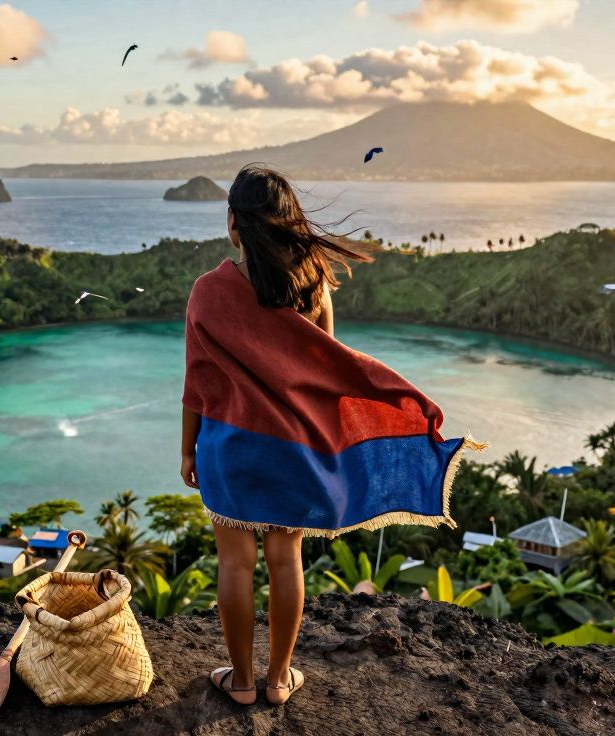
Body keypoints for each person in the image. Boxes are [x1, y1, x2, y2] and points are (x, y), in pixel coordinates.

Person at [181, 164, 481, 706]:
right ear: (288, 224)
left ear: (233, 226)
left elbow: (197, 383)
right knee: (284, 561)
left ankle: (241, 683)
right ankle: (278, 681)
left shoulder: (207, 292)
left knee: (233, 564)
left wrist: (186, 450)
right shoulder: (314, 286)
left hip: (229, 449)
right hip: (295, 451)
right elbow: (330, 378)